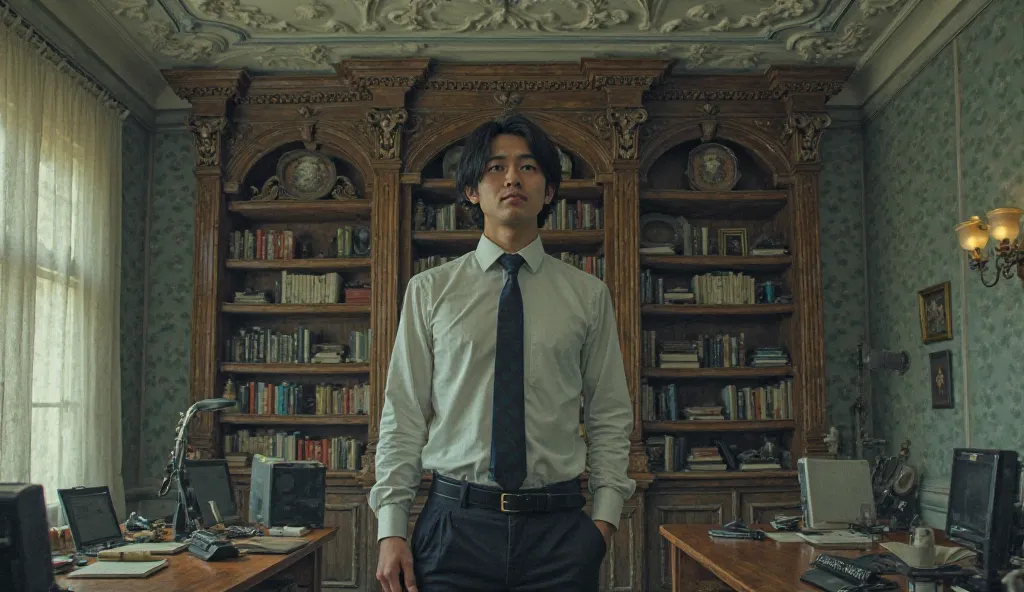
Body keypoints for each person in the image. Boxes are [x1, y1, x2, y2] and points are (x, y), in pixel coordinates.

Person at [370, 114, 635, 592]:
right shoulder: (430, 291)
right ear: (472, 190)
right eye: (495, 167)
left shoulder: (588, 295)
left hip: (559, 534)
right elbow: (404, 412)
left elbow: (609, 413)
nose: (512, 177)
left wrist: (604, 522)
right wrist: (391, 527)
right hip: (454, 527)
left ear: (549, 191)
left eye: (529, 167)